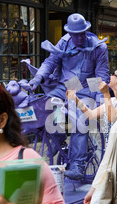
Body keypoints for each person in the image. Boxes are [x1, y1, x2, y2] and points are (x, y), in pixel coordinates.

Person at [28, 13, 109, 180]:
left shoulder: (98, 47)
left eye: (82, 33)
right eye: (75, 34)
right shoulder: (64, 42)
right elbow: (50, 63)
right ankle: (59, 139)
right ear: (69, 33)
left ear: (86, 30)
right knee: (47, 106)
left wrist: (95, 100)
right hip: (65, 86)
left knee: (79, 120)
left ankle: (78, 164)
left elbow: (101, 75)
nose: (78, 37)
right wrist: (37, 79)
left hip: (86, 87)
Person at [67, 67, 117, 144]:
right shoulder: (112, 100)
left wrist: (106, 93)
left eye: (112, 74)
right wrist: (75, 99)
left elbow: (112, 117)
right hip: (111, 147)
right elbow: (91, 115)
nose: (110, 76)